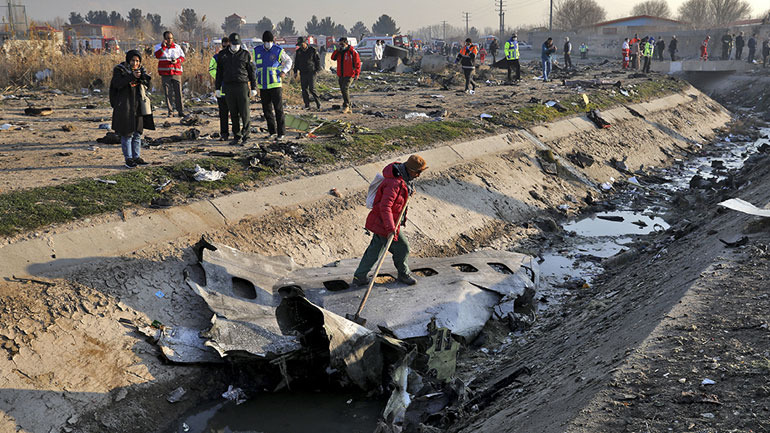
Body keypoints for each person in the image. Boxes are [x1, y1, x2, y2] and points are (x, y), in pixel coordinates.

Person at [352, 154, 429, 287]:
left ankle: (359, 277)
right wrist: (390, 228)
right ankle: (403, 274)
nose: (418, 175)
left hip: (387, 222)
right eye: (418, 172)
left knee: (375, 250)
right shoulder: (394, 183)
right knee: (403, 248)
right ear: (410, 170)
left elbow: (400, 196)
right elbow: (385, 206)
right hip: (385, 223)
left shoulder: (403, 178)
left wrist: (409, 192)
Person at [110, 50, 154, 168]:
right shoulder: (120, 70)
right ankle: (128, 158)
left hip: (138, 106)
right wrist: (131, 76)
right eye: (133, 60)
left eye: (138, 61)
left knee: (137, 133)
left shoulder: (141, 71)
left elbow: (147, 86)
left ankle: (137, 157)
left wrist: (143, 78)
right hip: (125, 106)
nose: (135, 63)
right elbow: (117, 84)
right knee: (127, 133)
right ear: (128, 60)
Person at [215, 32, 257, 146]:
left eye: (237, 44)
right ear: (230, 43)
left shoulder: (245, 54)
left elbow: (251, 72)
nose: (236, 46)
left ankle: (246, 135)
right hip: (228, 86)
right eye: (234, 44)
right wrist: (217, 88)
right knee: (233, 113)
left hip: (242, 85)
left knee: (245, 112)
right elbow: (219, 73)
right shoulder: (223, 55)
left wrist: (253, 87)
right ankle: (236, 135)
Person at [254, 31, 293, 141]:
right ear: (263, 41)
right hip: (263, 85)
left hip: (275, 84)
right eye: (266, 41)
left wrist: (284, 71)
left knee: (278, 109)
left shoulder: (278, 50)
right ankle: (272, 132)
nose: (268, 43)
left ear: (273, 41)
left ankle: (281, 133)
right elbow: (255, 66)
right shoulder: (257, 51)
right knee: (267, 110)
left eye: (270, 41)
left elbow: (289, 61)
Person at [154, 31, 185, 117]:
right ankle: (170, 111)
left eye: (171, 38)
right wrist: (163, 47)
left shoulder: (177, 47)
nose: (170, 40)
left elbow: (182, 57)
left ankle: (180, 111)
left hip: (176, 72)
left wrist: (177, 61)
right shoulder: (158, 47)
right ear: (164, 39)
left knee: (178, 93)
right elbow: (157, 56)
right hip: (165, 73)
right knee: (168, 93)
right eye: (168, 38)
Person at [330, 37, 361, 113]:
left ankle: (346, 105)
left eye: (342, 44)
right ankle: (349, 106)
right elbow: (333, 58)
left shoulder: (352, 52)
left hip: (350, 74)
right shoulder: (339, 52)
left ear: (346, 43)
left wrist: (357, 73)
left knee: (345, 88)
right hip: (341, 74)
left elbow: (358, 63)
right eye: (339, 44)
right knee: (342, 90)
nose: (341, 46)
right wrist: (337, 50)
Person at [209, 37, 231, 141]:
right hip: (222, 89)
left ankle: (237, 133)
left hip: (233, 90)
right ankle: (224, 133)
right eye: (224, 46)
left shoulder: (235, 57)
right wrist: (219, 77)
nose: (226, 48)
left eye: (228, 46)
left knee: (235, 113)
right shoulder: (217, 57)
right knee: (223, 113)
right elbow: (211, 69)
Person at [293, 36, 321, 110]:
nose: (301, 46)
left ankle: (318, 104)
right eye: (299, 45)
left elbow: (317, 61)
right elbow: (296, 63)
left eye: (302, 44)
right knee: (304, 90)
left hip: (311, 72)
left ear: (305, 43)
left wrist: (317, 70)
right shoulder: (298, 51)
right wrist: (295, 72)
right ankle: (307, 105)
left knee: (312, 89)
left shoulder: (312, 50)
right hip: (303, 72)